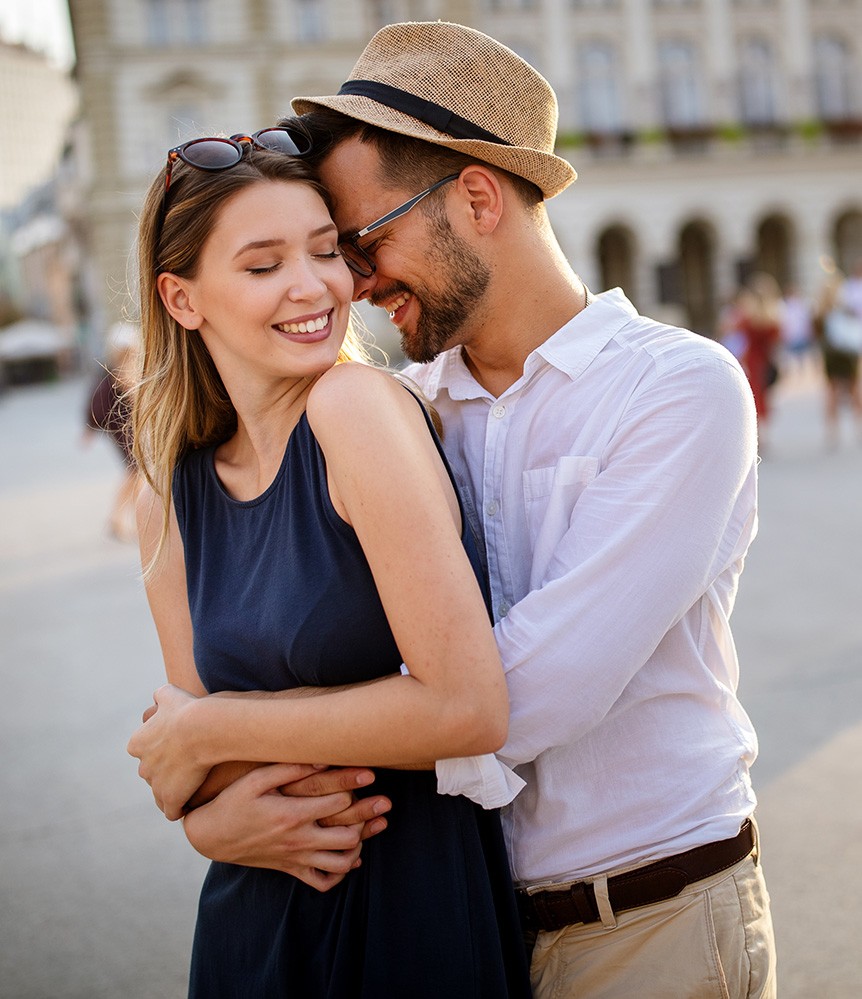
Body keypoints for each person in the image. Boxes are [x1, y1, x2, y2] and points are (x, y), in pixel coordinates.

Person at [133, 21, 776, 998]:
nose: (352, 278)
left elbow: (513, 697)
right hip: (468, 903)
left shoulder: (676, 391)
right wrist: (212, 818)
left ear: (475, 197)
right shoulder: (425, 404)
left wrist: (215, 731)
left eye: (360, 238)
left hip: (648, 916)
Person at [126, 127, 530, 997]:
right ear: (182, 298)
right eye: (263, 264)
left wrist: (213, 728)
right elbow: (193, 784)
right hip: (251, 926)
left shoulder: (355, 410)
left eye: (324, 251)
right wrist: (209, 823)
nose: (316, 286)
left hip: (407, 915)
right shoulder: (173, 492)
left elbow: (468, 706)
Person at [82, 320, 142, 540]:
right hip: (124, 428)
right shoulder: (119, 372)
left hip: (128, 427)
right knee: (135, 471)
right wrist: (90, 428)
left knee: (137, 474)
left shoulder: (118, 371)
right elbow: (98, 405)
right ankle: (117, 517)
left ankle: (136, 517)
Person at [813, 268, 862, 447]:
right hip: (847, 353)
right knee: (854, 390)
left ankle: (833, 433)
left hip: (832, 355)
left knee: (833, 392)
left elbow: (816, 334)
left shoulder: (821, 311)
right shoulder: (844, 307)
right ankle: (855, 429)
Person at [735, 272, 783, 446]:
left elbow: (735, 331)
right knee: (762, 396)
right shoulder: (772, 316)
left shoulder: (749, 316)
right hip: (765, 359)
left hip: (751, 359)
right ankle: (763, 436)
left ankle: (757, 436)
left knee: (753, 396)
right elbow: (778, 339)